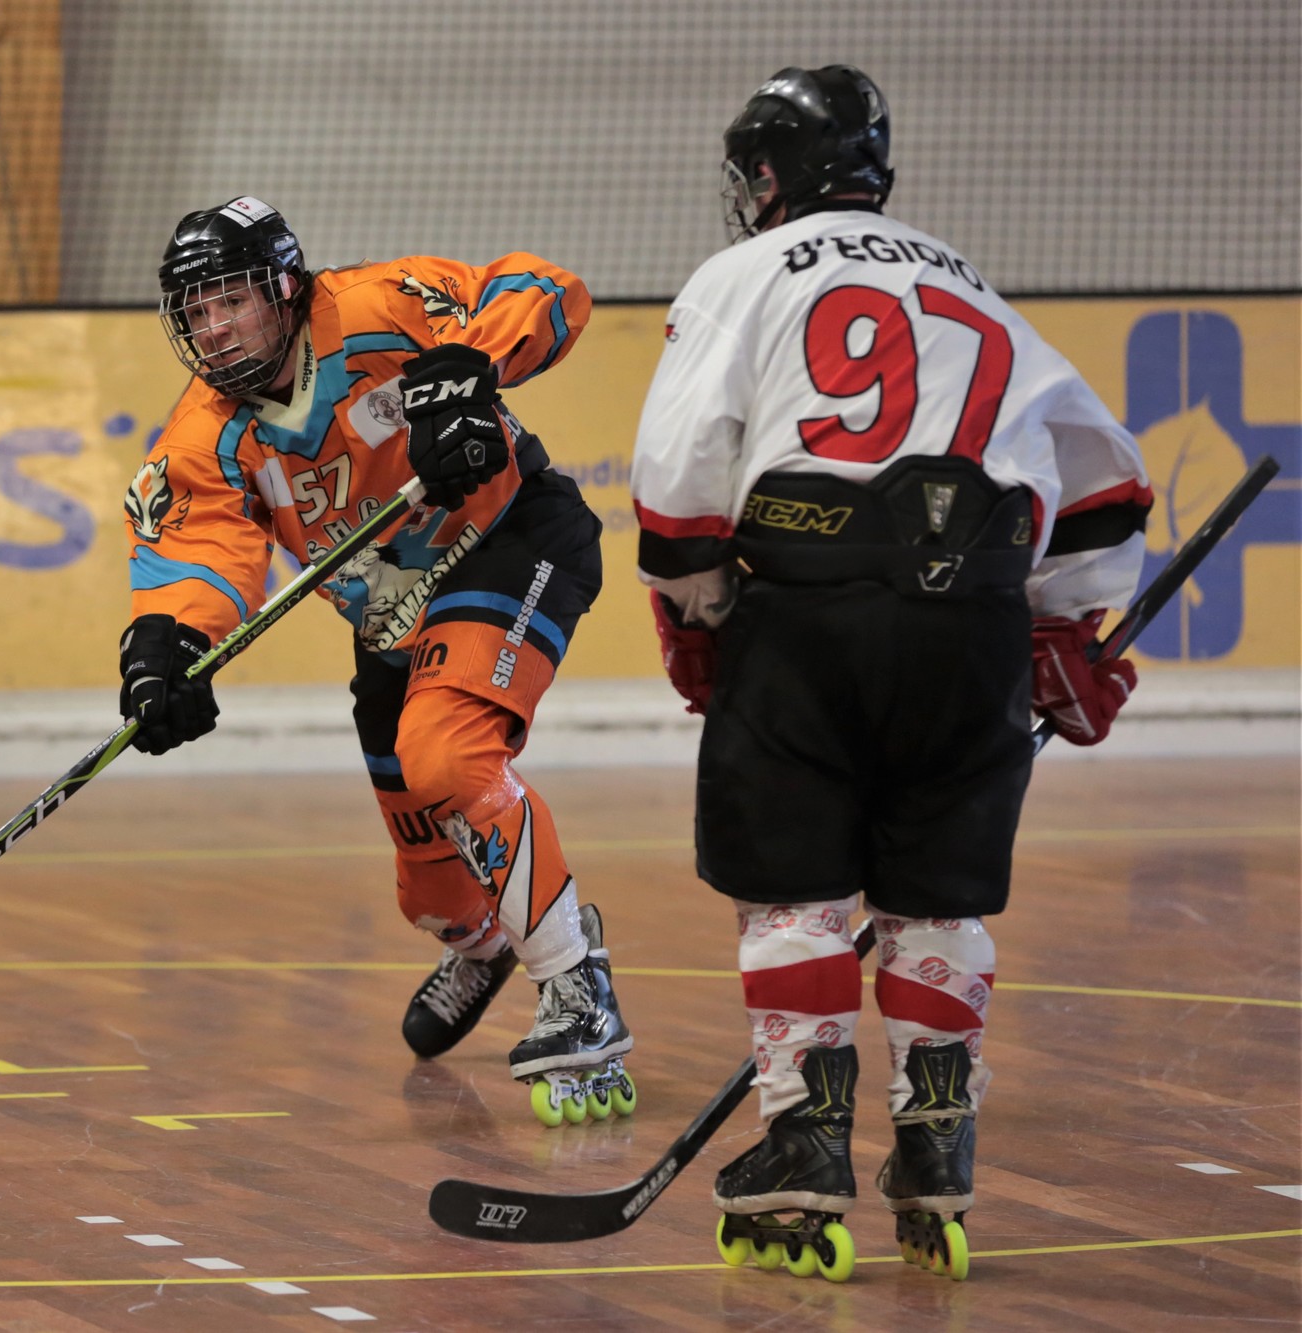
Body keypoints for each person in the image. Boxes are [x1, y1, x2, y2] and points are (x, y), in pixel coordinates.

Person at [629, 68, 1151, 1279]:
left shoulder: (741, 274)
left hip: (811, 614)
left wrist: (701, 611)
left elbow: (678, 491)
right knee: (937, 899)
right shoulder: (967, 280)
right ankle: (937, 1139)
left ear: (767, 176)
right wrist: (1056, 630)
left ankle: (804, 1142)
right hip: (973, 624)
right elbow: (1109, 491)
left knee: (796, 892)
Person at [119, 196, 635, 1125]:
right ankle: (485, 942)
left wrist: (470, 370)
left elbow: (543, 288)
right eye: (195, 311)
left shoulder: (376, 306)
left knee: (450, 756)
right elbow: (195, 549)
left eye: (230, 300)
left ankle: (574, 979)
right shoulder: (208, 432)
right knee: (428, 891)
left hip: (506, 537)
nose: (213, 328)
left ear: (284, 288)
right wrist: (168, 647)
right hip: (394, 619)